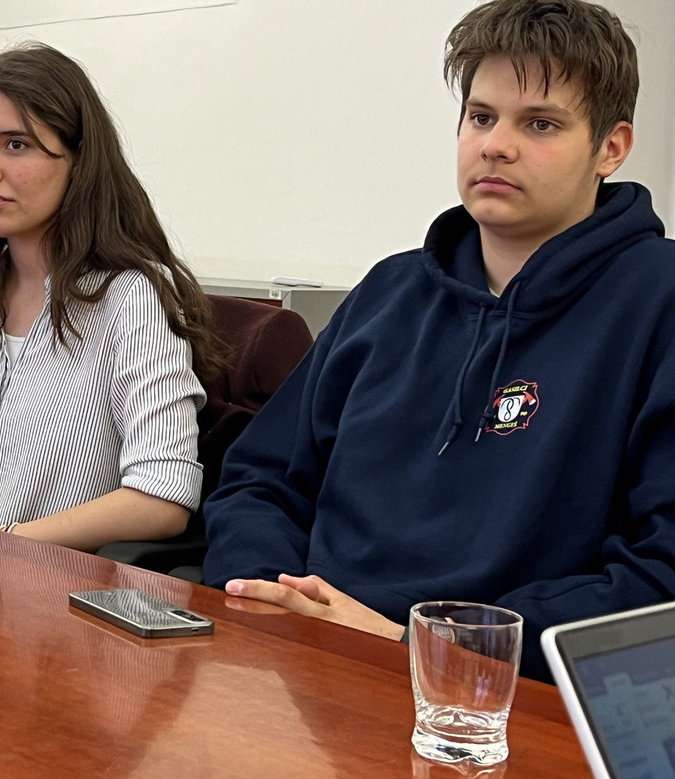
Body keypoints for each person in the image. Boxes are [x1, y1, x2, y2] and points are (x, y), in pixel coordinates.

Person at [202, 0, 675, 679]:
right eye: (481, 117)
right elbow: (259, 481)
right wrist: (270, 595)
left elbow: (659, 580)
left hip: (501, 691)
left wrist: (426, 643)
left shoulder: (657, 302)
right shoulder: (389, 292)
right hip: (308, 661)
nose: (495, 145)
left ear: (612, 147)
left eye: (540, 124)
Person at [0, 44, 223, 552]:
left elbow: (162, 496)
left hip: (43, 583)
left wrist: (4, 545)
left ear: (79, 160)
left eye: (16, 144)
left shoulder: (131, 296)